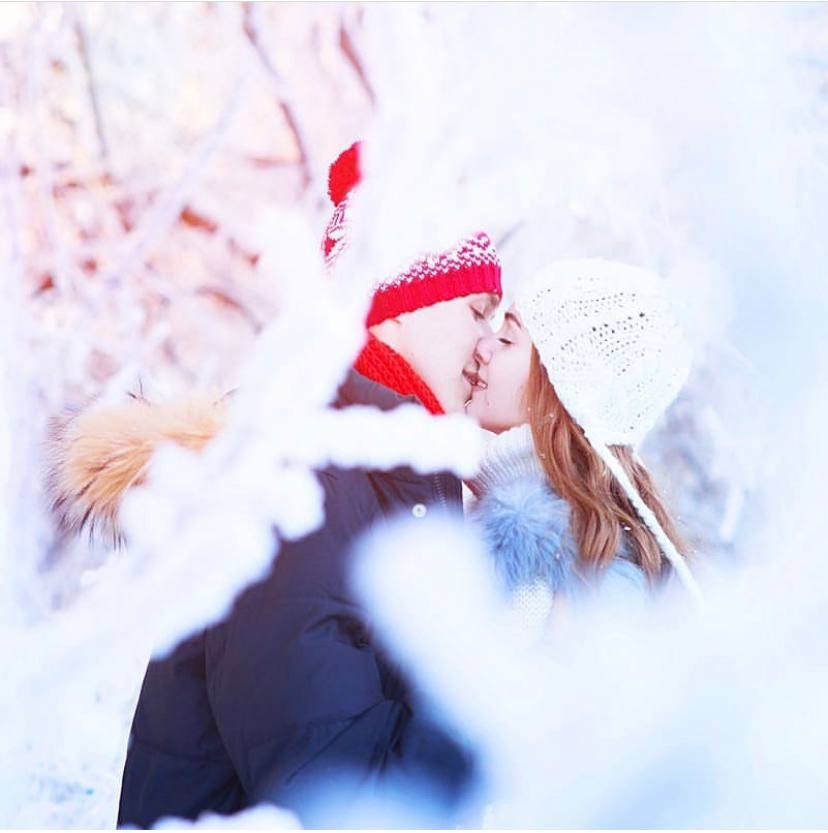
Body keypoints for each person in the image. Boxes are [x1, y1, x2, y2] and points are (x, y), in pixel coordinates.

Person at [48, 142, 502, 827]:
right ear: (405, 304)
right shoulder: (300, 484)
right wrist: (504, 680)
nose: (485, 344)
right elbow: (339, 798)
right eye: (475, 310)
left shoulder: (383, 476)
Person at [463, 258, 701, 637]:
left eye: (507, 339)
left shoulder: (597, 573)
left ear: (563, 391)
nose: (482, 347)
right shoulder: (481, 506)